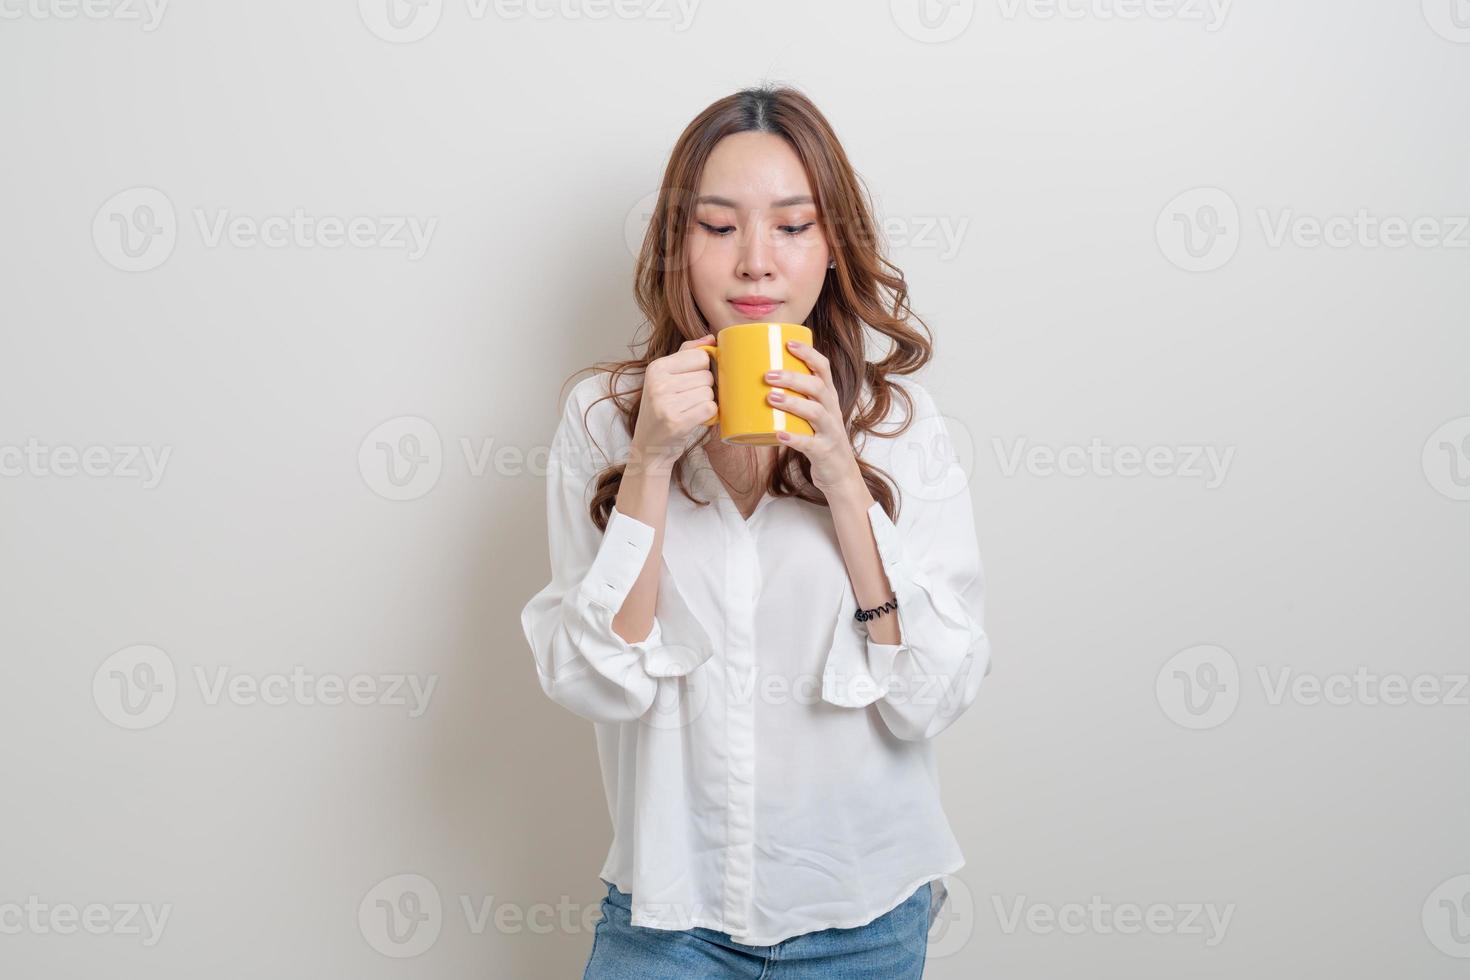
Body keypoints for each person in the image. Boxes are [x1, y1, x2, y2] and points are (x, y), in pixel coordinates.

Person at [520, 83, 993, 979]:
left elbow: (930, 695)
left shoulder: (900, 426)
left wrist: (845, 483)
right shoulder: (604, 418)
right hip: (668, 919)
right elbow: (596, 681)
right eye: (719, 226)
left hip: (866, 918)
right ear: (678, 244)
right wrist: (651, 464)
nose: (755, 264)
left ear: (831, 247)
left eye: (791, 225)